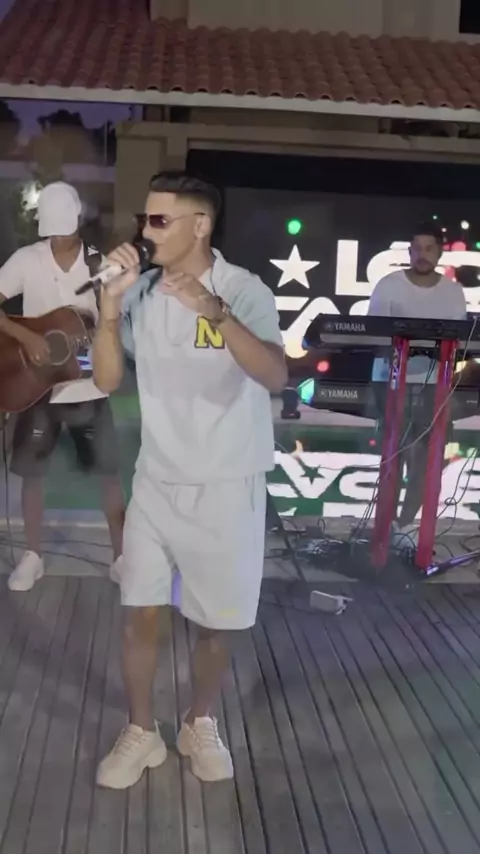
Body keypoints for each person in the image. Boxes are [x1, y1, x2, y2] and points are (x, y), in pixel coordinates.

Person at [92, 172, 287, 788]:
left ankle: (199, 720)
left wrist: (215, 313)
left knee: (215, 623)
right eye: (144, 220)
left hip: (227, 483)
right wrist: (109, 307)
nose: (145, 233)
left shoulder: (243, 290)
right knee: (139, 613)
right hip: (156, 479)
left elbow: (275, 375)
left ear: (200, 225)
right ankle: (141, 731)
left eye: (159, 221)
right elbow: (104, 379)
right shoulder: (141, 292)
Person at [0, 182, 125, 591]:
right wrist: (26, 337)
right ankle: (32, 557)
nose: (58, 238)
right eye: (51, 232)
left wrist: (108, 329)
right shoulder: (26, 259)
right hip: (36, 387)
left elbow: (115, 323)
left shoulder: (100, 265)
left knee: (107, 474)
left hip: (88, 388)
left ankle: (121, 558)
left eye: (64, 230)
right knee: (32, 473)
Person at [368, 221, 470, 546]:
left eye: (429, 249)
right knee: (392, 456)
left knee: (427, 461)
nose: (422, 255)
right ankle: (383, 529)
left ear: (439, 253)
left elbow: (458, 341)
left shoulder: (452, 292)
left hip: (434, 384)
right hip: (390, 382)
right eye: (417, 249)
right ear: (409, 252)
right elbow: (372, 335)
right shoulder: (388, 286)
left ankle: (405, 525)